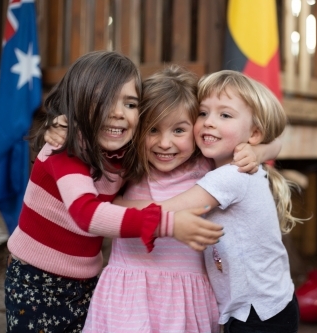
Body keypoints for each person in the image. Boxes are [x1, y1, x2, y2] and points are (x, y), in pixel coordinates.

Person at [44, 65, 281, 332]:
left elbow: (278, 141)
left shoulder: (206, 166)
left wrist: (258, 150)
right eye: (153, 130)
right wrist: (62, 128)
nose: (164, 143)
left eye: (179, 131)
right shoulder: (128, 164)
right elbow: (90, 153)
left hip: (185, 301)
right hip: (128, 298)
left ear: (196, 129)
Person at [4, 51, 223, 333]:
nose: (118, 112)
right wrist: (166, 222)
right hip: (36, 280)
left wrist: (257, 150)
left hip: (85, 281)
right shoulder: (65, 151)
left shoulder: (122, 150)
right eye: (103, 101)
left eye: (130, 104)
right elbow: (87, 214)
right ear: (78, 104)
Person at [118, 70, 302, 333]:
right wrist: (262, 149)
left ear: (254, 133)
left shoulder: (231, 176)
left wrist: (109, 207)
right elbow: (274, 144)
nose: (209, 123)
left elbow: (163, 211)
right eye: (203, 113)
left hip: (258, 314)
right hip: (261, 306)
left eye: (224, 115)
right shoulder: (224, 166)